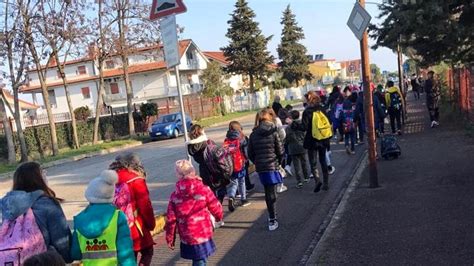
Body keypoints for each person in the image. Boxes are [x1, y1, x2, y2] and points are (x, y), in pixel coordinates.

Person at [0, 162, 72, 263]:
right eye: (43, 173)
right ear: (38, 179)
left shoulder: (7, 205)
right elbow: (62, 242)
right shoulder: (47, 203)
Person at [71, 170, 136, 266]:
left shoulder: (79, 219)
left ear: (89, 195)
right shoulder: (117, 217)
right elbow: (125, 251)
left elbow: (75, 253)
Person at [165, 160, 223, 266]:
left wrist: (170, 237)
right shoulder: (204, 190)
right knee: (200, 260)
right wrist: (219, 217)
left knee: (199, 259)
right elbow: (215, 206)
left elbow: (170, 219)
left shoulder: (175, 196)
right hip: (203, 231)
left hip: (186, 234)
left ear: (178, 175)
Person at [109, 153, 155, 265]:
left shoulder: (109, 180)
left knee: (128, 257)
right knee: (147, 251)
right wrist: (151, 224)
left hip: (116, 226)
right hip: (135, 226)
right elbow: (145, 206)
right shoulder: (136, 180)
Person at [248, 108, 285, 231]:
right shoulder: (273, 132)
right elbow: (280, 151)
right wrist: (279, 162)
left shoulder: (253, 134)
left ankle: (272, 217)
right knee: (272, 193)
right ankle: (273, 218)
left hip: (262, 167)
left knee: (267, 192)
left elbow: (250, 153)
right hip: (272, 165)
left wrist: (257, 162)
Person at [187, 124, 231, 203]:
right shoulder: (206, 143)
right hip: (214, 168)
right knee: (221, 184)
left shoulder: (191, 147)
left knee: (210, 190)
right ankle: (219, 201)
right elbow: (216, 153)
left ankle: (213, 204)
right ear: (200, 132)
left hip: (204, 170)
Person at [300, 91, 331, 192]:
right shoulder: (322, 109)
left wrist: (293, 124)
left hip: (312, 140)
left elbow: (303, 127)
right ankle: (326, 183)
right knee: (323, 161)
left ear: (309, 100)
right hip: (323, 139)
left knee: (313, 163)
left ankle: (317, 180)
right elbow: (329, 122)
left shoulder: (307, 112)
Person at [224, 121, 251, 211]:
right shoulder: (241, 138)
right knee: (242, 181)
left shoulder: (227, 139)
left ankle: (231, 196)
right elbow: (246, 151)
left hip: (230, 164)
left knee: (234, 182)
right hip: (240, 163)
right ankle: (243, 199)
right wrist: (247, 159)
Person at [285, 110, 310, 188]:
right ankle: (306, 177)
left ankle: (299, 181)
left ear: (291, 117)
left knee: (296, 165)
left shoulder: (289, 127)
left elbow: (287, 138)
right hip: (302, 145)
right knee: (304, 162)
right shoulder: (302, 124)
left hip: (293, 147)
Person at [342, 87, 357, 155]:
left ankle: (347, 145)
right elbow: (355, 112)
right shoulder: (353, 104)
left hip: (345, 121)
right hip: (352, 121)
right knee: (352, 135)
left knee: (346, 135)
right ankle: (353, 149)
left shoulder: (344, 102)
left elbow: (341, 112)